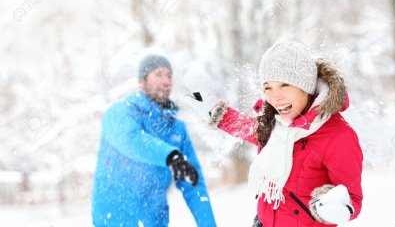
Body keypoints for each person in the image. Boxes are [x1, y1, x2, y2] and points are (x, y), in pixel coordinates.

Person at [207, 42, 363, 226]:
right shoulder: (274, 124)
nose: (275, 97)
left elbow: (353, 199)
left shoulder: (339, 136)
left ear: (306, 86)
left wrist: (335, 206)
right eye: (268, 87)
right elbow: (250, 128)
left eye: (285, 84)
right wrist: (219, 115)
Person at [91, 55, 217, 227]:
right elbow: (132, 140)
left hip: (155, 220)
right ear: (142, 81)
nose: (166, 82)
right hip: (116, 219)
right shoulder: (118, 113)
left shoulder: (177, 130)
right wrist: (170, 156)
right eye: (158, 74)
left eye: (169, 75)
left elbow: (193, 184)